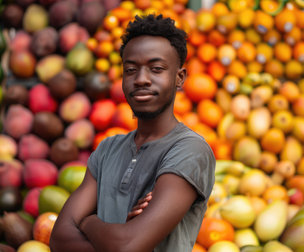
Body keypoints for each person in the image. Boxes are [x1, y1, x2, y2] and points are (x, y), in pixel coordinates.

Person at [49, 14, 215, 252]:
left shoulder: (189, 149)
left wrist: (88, 222)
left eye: (156, 69)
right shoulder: (107, 149)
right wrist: (115, 236)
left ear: (179, 78)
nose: (141, 79)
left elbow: (127, 245)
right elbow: (59, 239)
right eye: (131, 69)